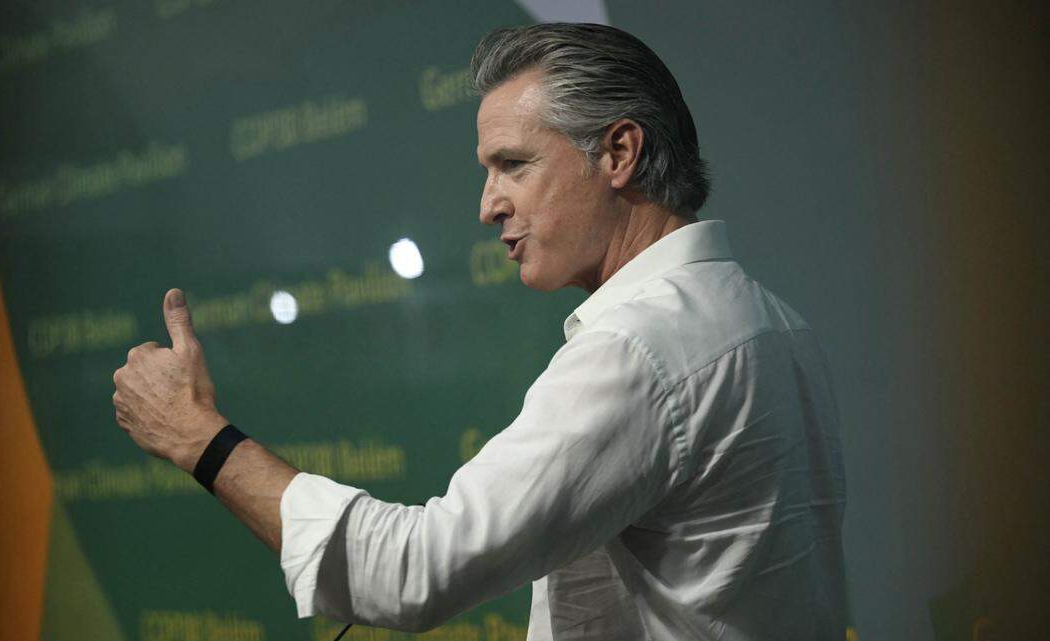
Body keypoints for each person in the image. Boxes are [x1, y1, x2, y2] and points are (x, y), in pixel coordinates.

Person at [113, 23, 848, 640]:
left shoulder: (637, 350)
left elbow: (410, 572)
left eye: (513, 165)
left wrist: (196, 436)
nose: (488, 204)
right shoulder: (776, 324)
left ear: (619, 154)